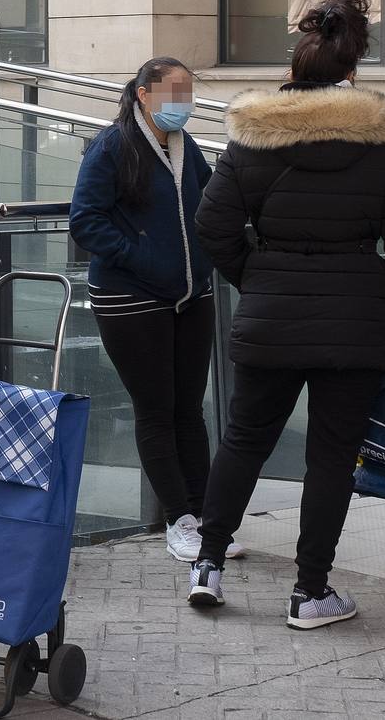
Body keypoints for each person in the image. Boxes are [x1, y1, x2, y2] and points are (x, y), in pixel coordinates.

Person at [187, 0, 385, 629]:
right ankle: (309, 592)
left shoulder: (252, 140)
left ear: (294, 65)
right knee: (331, 456)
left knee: (244, 439)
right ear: (351, 72)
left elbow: (213, 227)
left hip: (269, 316)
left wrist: (259, 275)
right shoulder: (379, 147)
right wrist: (378, 295)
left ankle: (208, 564)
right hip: (354, 322)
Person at [69, 57, 242, 564]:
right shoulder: (113, 146)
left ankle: (207, 520)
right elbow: (86, 220)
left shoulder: (186, 149)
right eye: (172, 94)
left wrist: (208, 259)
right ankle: (178, 519)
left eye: (186, 94)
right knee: (156, 408)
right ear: (143, 95)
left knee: (189, 409)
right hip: (131, 298)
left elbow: (209, 206)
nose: (181, 105)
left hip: (190, 297)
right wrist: (142, 257)